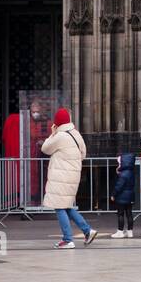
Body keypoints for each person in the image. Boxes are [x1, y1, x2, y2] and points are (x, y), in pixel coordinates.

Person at [41, 107, 96, 249]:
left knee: (60, 207)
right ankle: (87, 230)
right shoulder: (76, 134)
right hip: (73, 176)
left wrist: (52, 134)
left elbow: (45, 148)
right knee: (66, 206)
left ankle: (67, 239)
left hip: (61, 177)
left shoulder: (60, 136)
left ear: (57, 123)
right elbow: (83, 154)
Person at [110, 151, 137, 238]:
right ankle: (130, 231)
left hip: (121, 197)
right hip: (130, 196)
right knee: (129, 214)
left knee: (120, 214)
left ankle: (120, 231)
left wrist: (113, 194)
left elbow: (119, 186)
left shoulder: (123, 174)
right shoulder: (131, 173)